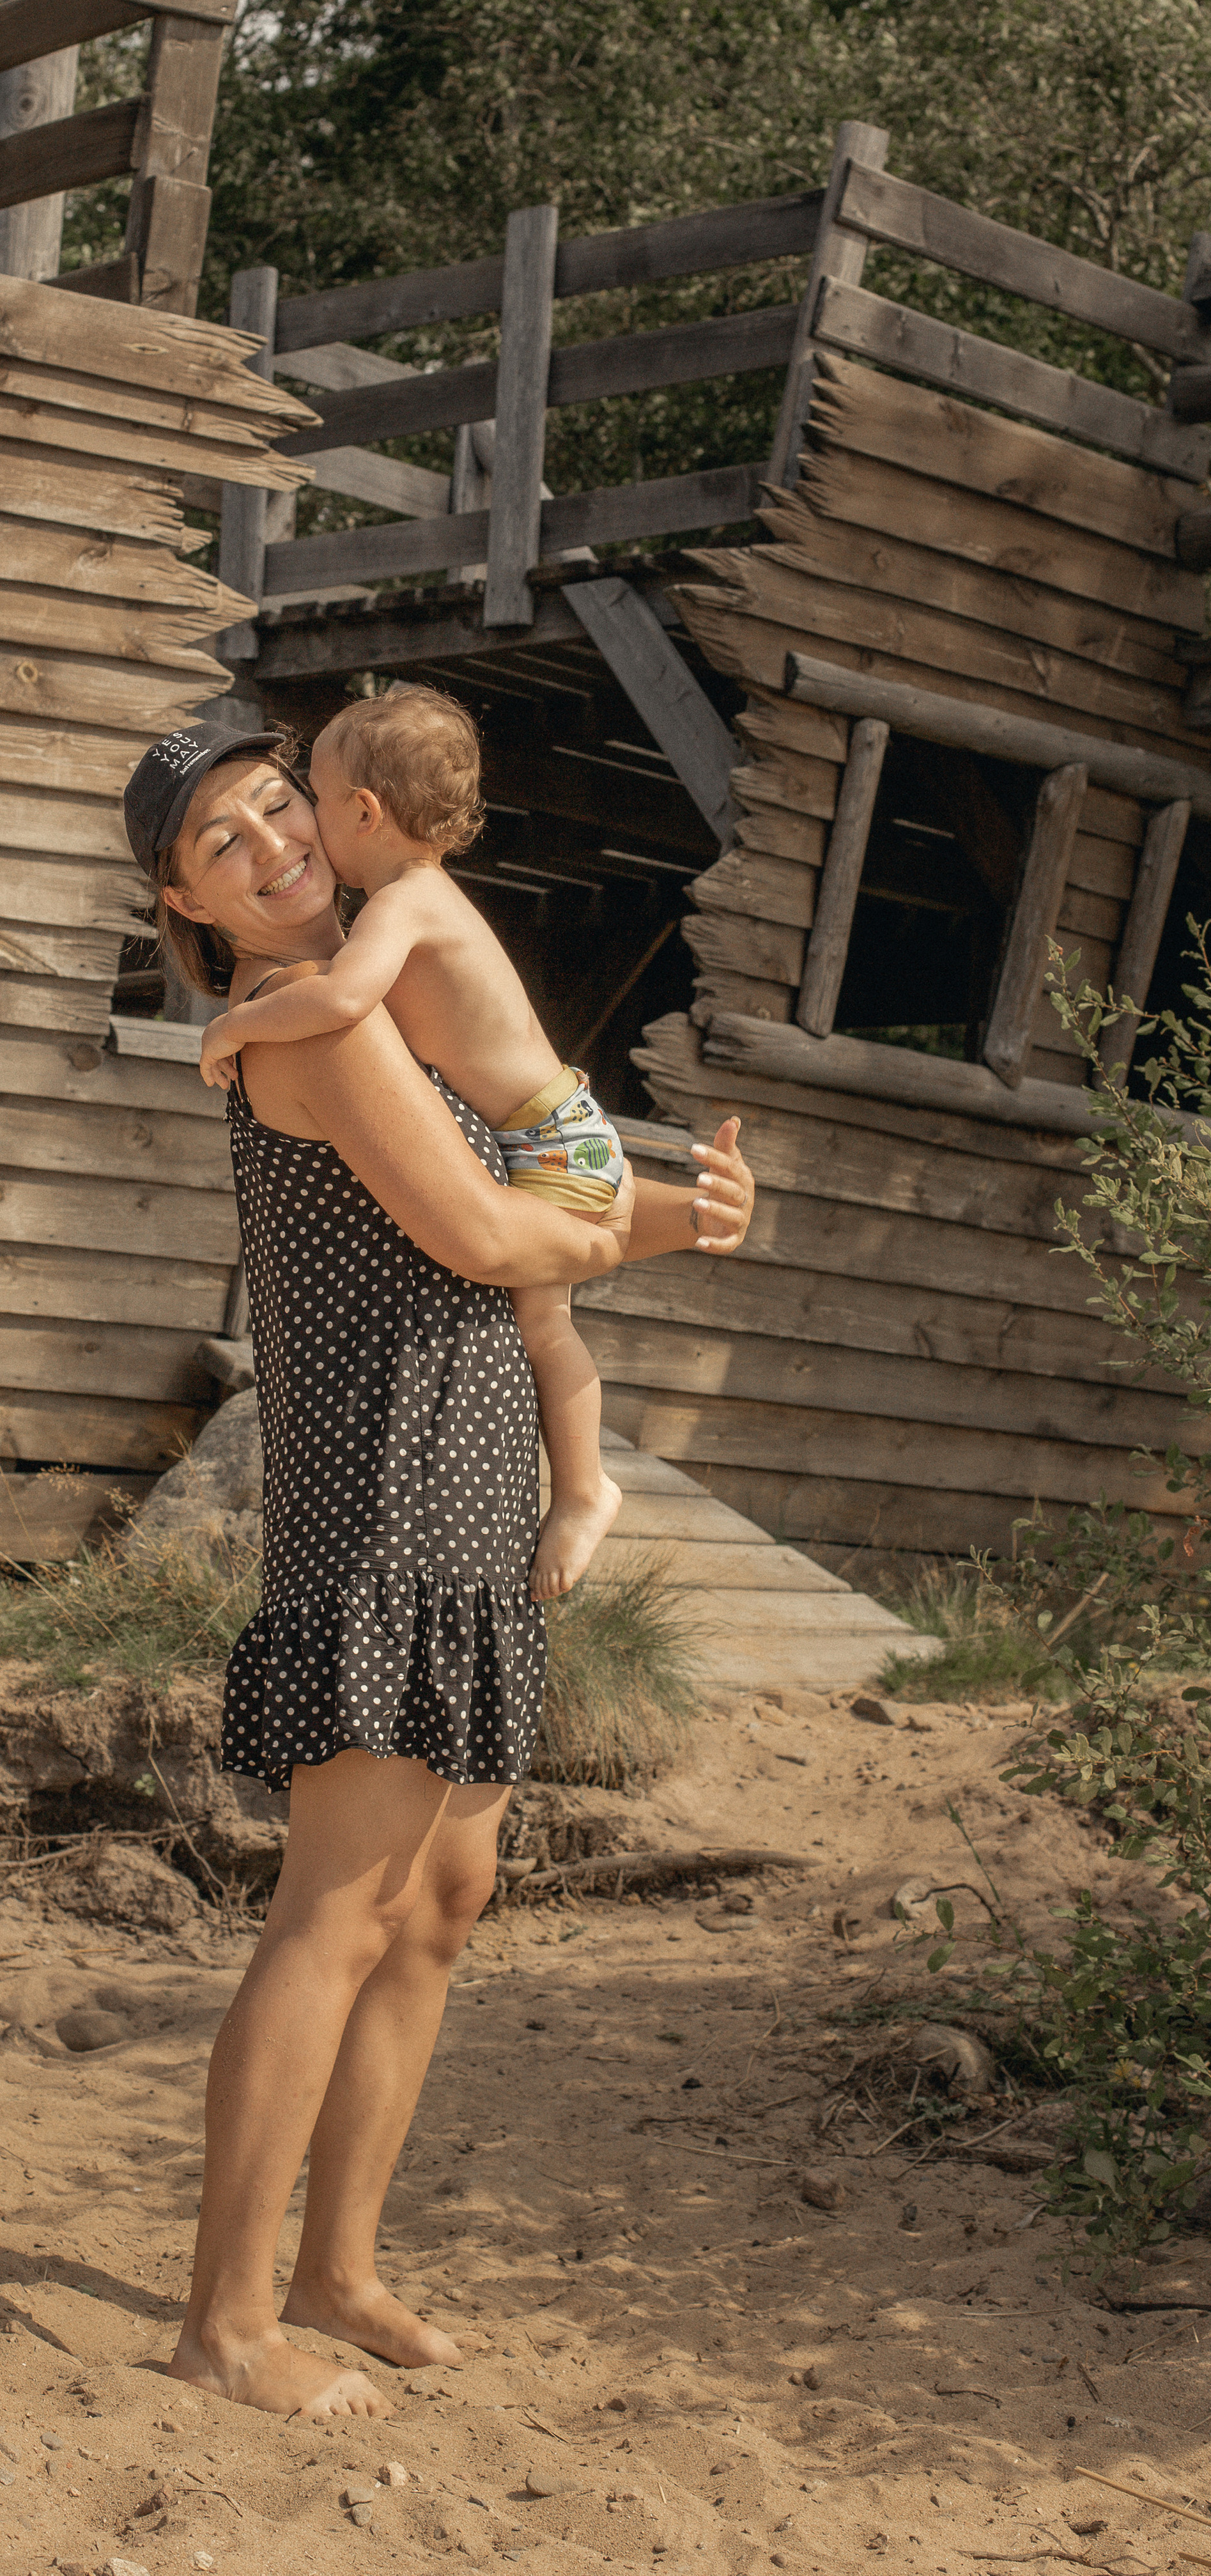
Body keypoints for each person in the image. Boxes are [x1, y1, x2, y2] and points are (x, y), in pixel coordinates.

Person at [121, 720, 754, 2420]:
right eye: (222, 840)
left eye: (277, 804)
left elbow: (525, 1221)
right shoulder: (309, 1038)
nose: (268, 841)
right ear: (183, 902)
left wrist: (682, 1218)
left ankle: (340, 2268)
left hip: (471, 1499)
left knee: (439, 1905)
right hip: (385, 1498)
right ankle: (227, 2321)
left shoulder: (380, 995)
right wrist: (610, 1218)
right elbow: (488, 1241)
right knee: (337, 1909)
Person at [197, 686, 630, 1599]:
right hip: (563, 1136)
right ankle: (584, 1487)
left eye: (299, 797)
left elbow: (343, 999)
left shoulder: (403, 906)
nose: (297, 827)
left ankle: (587, 1488)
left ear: (364, 812)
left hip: (553, 1144)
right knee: (547, 1317)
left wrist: (236, 1028)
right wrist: (693, 1216)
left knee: (547, 1323)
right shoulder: (425, 898)